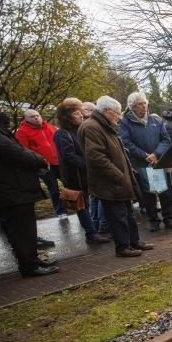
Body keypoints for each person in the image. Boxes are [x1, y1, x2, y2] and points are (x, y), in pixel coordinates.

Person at [0, 90, 59, 276]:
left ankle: (32, 260)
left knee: (25, 227)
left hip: (13, 186)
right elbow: (14, 151)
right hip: (10, 188)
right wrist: (39, 159)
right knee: (21, 229)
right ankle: (29, 265)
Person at [80, 95, 153, 257]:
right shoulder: (92, 127)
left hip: (120, 180)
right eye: (117, 113)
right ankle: (123, 247)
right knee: (117, 216)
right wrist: (119, 175)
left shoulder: (105, 125)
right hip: (110, 182)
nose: (119, 117)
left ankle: (134, 242)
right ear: (106, 111)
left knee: (128, 213)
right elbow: (96, 158)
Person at [52, 98, 110, 245]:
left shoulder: (80, 129)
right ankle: (91, 234)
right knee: (81, 205)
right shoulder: (62, 134)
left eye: (80, 112)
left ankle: (95, 228)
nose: (81, 115)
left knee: (90, 202)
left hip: (87, 173)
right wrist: (88, 164)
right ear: (67, 116)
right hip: (75, 176)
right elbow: (69, 155)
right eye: (76, 113)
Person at [119, 92, 172, 232]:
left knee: (165, 192)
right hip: (141, 164)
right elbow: (126, 142)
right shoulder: (125, 122)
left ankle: (168, 218)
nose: (144, 106)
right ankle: (153, 221)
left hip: (158, 162)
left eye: (145, 103)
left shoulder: (155, 120)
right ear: (132, 106)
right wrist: (144, 155)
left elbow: (165, 140)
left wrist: (156, 154)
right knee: (148, 194)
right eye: (140, 104)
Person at [14, 109, 67, 220]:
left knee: (69, 185)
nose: (36, 118)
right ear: (26, 119)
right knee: (54, 189)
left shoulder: (51, 127)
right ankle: (60, 212)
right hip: (44, 166)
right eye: (32, 116)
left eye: (37, 115)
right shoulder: (22, 132)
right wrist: (39, 163)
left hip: (60, 162)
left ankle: (76, 206)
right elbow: (24, 150)